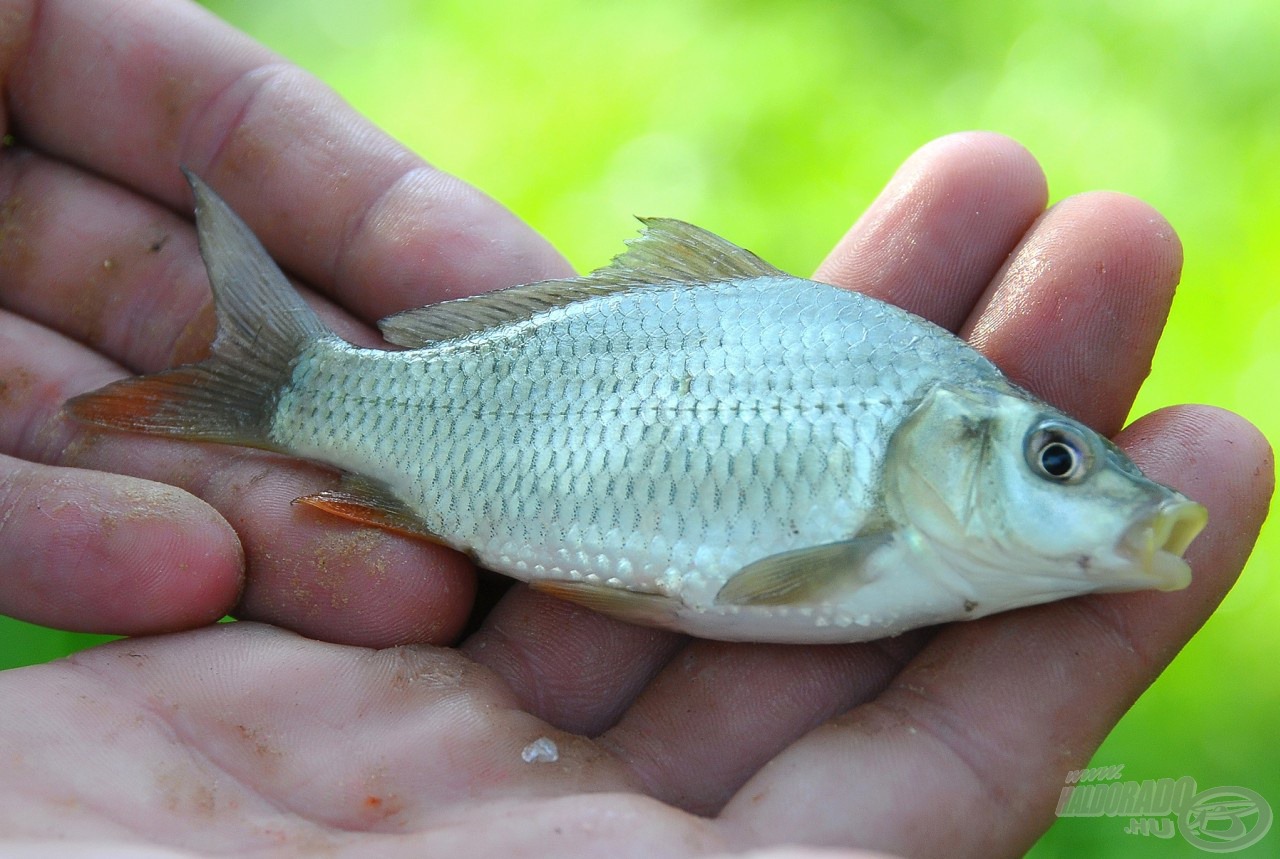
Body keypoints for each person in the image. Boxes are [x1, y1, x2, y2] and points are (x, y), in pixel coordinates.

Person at [0, 2, 1271, 857]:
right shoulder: (899, 506)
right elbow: (776, 584)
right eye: (1052, 458)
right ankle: (274, 387)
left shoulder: (920, 502)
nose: (1094, 491)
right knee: (309, 397)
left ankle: (272, 389)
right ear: (947, 439)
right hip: (486, 450)